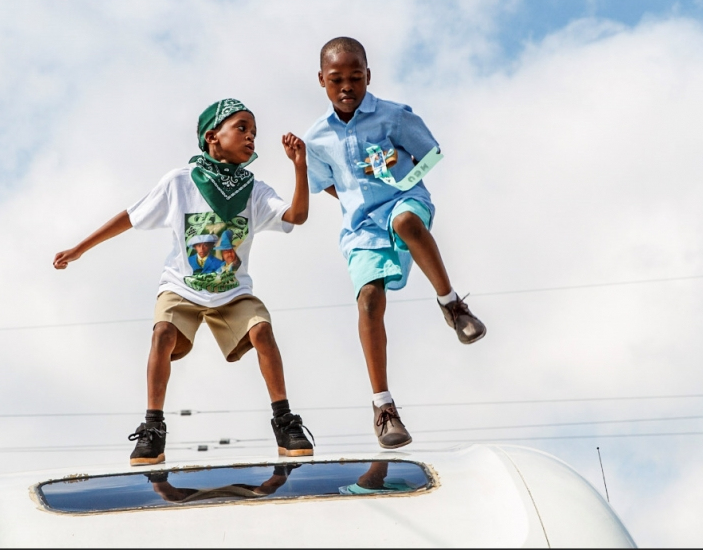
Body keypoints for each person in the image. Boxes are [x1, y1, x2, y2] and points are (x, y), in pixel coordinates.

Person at [54, 98, 314, 465]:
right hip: (182, 287)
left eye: (254, 132)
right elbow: (130, 216)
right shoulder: (179, 182)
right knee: (162, 333)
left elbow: (297, 216)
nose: (251, 137)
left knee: (262, 331)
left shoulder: (255, 190)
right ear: (213, 137)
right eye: (242, 128)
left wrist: (299, 168)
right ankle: (152, 428)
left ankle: (284, 421)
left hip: (232, 291)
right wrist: (81, 248)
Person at [303, 37, 488, 450]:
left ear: (369, 76)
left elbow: (429, 152)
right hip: (361, 226)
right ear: (322, 81)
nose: (347, 86)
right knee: (368, 299)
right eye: (337, 80)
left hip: (405, 201)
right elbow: (327, 183)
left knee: (405, 221)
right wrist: (356, 197)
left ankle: (452, 305)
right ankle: (383, 407)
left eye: (356, 77)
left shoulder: (393, 116)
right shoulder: (317, 137)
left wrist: (397, 170)